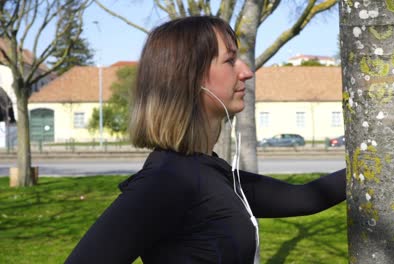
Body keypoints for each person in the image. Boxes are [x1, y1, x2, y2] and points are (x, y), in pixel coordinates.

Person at [65, 16, 346, 264]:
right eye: (230, 60)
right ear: (190, 77)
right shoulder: (167, 181)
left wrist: (378, 165)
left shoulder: (212, 173)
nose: (246, 71)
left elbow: (306, 198)